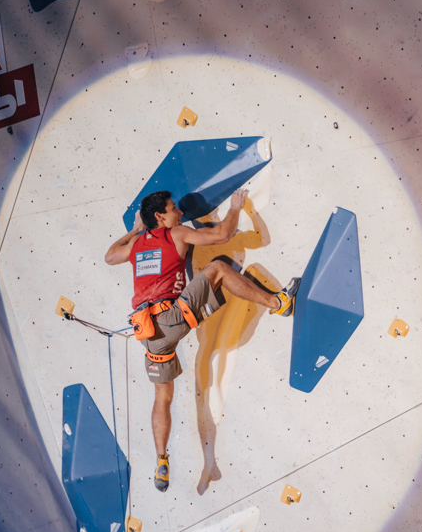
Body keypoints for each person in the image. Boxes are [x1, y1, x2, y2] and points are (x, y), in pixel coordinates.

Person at [105, 189, 298, 492]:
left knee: (162, 397)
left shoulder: (136, 246)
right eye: (174, 209)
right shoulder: (175, 234)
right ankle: (279, 303)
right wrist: (236, 208)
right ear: (160, 217)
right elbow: (223, 235)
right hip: (171, 318)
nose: (180, 213)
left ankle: (161, 459)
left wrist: (134, 231)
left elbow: (109, 256)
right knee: (218, 268)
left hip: (149, 335)